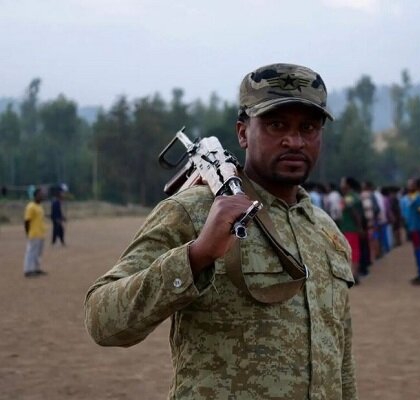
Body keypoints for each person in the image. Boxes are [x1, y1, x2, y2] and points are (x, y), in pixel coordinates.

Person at [84, 63, 358, 399]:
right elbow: (101, 320)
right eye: (276, 125)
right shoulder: (193, 211)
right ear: (243, 132)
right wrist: (196, 256)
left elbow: (340, 359)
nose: (294, 140)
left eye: (309, 127)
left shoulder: (326, 231)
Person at [340, 176, 365, 281]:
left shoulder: (349, 197)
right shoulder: (355, 196)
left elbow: (354, 212)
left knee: (352, 251)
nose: (341, 184)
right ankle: (354, 273)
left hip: (350, 228)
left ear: (347, 185)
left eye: (342, 182)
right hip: (350, 227)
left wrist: (359, 227)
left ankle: (353, 274)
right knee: (354, 250)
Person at [405, 178, 420, 286]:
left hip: (418, 229)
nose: (409, 187)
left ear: (415, 186)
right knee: (417, 252)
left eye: (411, 185)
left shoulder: (418, 198)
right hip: (413, 228)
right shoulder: (412, 198)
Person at [23, 188, 47, 277]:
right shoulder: (31, 206)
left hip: (40, 233)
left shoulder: (39, 206)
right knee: (31, 252)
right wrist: (27, 233)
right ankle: (28, 270)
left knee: (38, 253)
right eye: (41, 194)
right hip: (33, 233)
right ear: (36, 195)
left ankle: (36, 269)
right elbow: (26, 221)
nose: (42, 196)